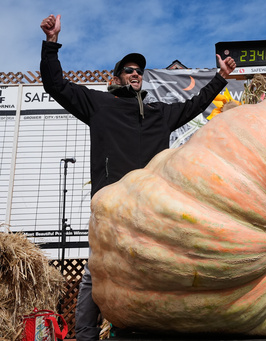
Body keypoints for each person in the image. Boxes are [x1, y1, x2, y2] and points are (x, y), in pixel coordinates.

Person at [40, 14, 236, 341]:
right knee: (95, 273)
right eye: (129, 70)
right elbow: (55, 85)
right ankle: (86, 336)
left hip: (151, 209)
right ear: (117, 77)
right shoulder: (99, 104)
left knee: (155, 272)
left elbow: (195, 103)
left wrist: (220, 78)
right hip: (112, 205)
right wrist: (51, 44)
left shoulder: (160, 113)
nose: (136, 74)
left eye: (139, 71)